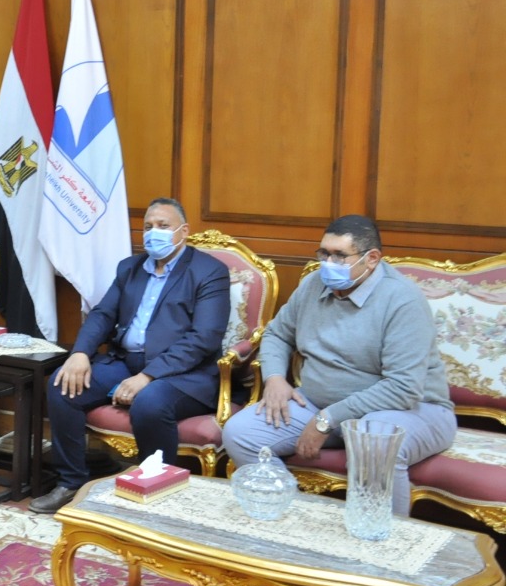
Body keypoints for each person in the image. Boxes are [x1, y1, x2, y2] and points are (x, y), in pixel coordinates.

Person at [222, 214, 455, 515]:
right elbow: (278, 334)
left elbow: (403, 388)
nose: (328, 263)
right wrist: (275, 378)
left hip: (411, 411)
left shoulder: (402, 300)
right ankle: (292, 519)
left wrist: (327, 419)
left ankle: (383, 535)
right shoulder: (313, 285)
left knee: (374, 440)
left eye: (340, 256)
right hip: (319, 405)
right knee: (241, 432)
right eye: (324, 253)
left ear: (372, 259)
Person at [29, 198, 230, 514]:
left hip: (183, 374)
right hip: (125, 361)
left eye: (163, 226)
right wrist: (80, 353)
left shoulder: (209, 272)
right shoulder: (130, 268)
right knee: (61, 385)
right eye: (148, 226)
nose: (153, 233)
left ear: (184, 231)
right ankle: (71, 482)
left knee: (149, 402)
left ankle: (157, 493)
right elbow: (103, 314)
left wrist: (148, 376)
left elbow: (203, 338)